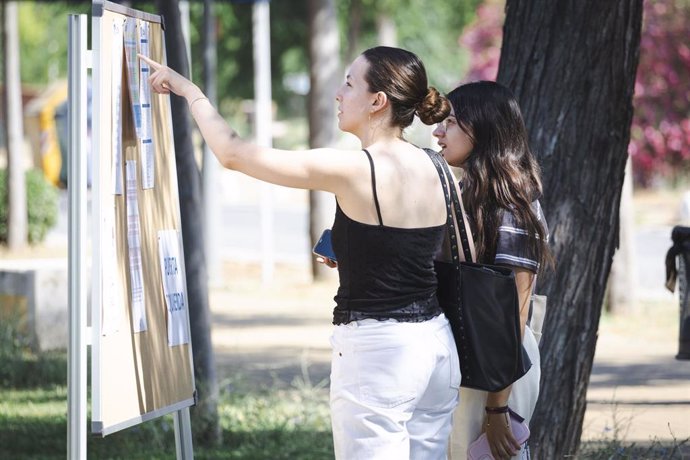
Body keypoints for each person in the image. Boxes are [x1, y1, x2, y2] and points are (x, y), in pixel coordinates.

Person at [141, 46, 461, 459]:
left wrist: (190, 92)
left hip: (380, 354)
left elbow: (234, 154)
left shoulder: (353, 168)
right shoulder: (438, 167)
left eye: (349, 84)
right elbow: (411, 249)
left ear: (378, 101)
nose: (338, 94)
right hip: (434, 346)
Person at [431, 80, 552, 460]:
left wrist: (497, 408)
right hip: (475, 359)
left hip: (499, 369)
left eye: (450, 121)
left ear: (482, 129)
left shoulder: (510, 206)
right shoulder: (467, 192)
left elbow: (514, 312)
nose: (437, 131)